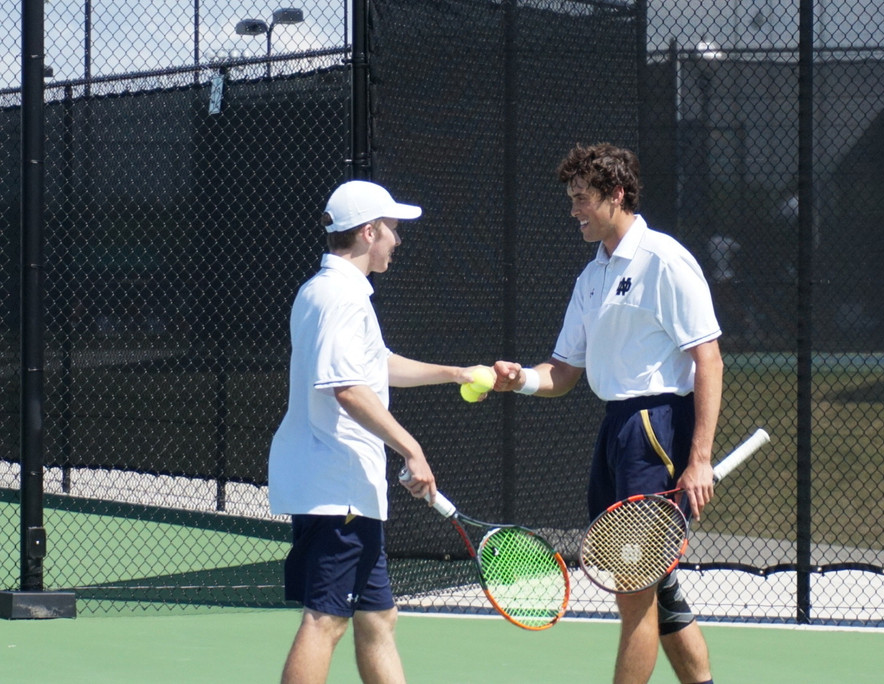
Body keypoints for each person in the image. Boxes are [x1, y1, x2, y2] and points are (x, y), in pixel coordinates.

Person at [492, 144, 724, 684]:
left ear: (616, 195)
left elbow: (708, 358)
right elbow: (563, 372)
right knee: (657, 591)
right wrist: (519, 380)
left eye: (582, 199)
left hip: (657, 430)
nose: (574, 210)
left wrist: (700, 459)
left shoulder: (664, 261)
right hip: (616, 431)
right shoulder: (591, 278)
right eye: (571, 199)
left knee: (634, 595)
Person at [269, 180, 488, 684]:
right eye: (392, 229)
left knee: (378, 617)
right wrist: (411, 448)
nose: (397, 239)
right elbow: (346, 387)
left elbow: (374, 365)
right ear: (369, 232)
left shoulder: (325, 291)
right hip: (337, 488)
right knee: (325, 620)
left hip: (346, 488)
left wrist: (453, 373)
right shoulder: (341, 297)